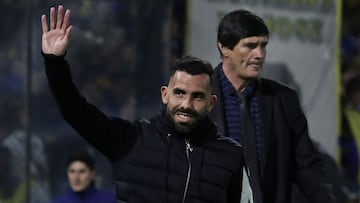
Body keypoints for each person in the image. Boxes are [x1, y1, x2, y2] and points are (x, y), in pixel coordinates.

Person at [41, 5, 243, 203]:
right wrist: (54, 62)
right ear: (165, 94)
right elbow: (75, 111)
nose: (186, 104)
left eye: (197, 96)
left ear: (211, 103)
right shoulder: (130, 139)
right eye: (179, 93)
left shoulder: (231, 156)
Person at [208, 9, 335, 202]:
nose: (259, 54)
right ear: (224, 47)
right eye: (250, 46)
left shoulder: (284, 100)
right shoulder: (197, 97)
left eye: (263, 45)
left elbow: (306, 165)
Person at [50, 150, 116, 203]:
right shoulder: (58, 201)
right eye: (72, 171)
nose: (76, 177)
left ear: (93, 173)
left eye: (82, 171)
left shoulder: (110, 199)